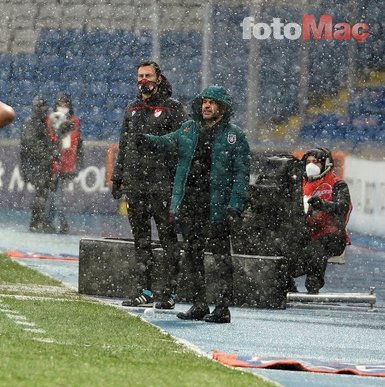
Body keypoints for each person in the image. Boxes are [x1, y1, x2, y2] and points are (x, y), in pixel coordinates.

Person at [139, 85, 250, 323]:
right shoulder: (189, 128)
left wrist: (235, 206)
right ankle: (199, 304)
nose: (206, 106)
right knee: (192, 254)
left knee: (221, 258)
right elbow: (168, 142)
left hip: (218, 206)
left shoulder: (235, 136)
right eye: (204, 102)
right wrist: (147, 141)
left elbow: (242, 175)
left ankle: (222, 308)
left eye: (211, 102)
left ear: (222, 107)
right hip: (192, 204)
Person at [112, 60, 187, 309]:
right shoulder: (131, 109)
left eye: (148, 75)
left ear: (159, 78)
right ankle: (144, 290)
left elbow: (182, 146)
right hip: (136, 185)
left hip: (162, 185)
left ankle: (169, 291)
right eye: (140, 76)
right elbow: (124, 146)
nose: (143, 80)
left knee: (168, 239)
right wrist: (118, 177)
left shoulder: (173, 109)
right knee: (140, 240)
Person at [287, 147, 352, 294]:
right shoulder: (298, 183)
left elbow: (343, 206)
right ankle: (287, 285)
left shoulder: (337, 184)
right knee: (281, 248)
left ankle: (313, 285)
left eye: (316, 162)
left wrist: (323, 204)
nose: (311, 165)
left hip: (332, 235)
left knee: (316, 249)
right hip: (304, 232)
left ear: (325, 164)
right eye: (308, 162)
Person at [46, 92, 82, 233]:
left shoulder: (73, 121)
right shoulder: (51, 120)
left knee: (55, 195)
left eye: (65, 104)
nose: (63, 107)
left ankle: (53, 222)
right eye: (60, 104)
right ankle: (55, 222)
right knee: (53, 195)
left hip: (63, 164)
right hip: (52, 163)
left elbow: (71, 144)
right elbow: (51, 140)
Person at [20, 97, 56, 232]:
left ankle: (39, 221)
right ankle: (36, 222)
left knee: (43, 194)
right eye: (42, 108)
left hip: (41, 164)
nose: (45, 111)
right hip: (36, 164)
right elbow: (30, 146)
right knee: (41, 194)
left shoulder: (41, 123)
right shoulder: (31, 123)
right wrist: (48, 154)